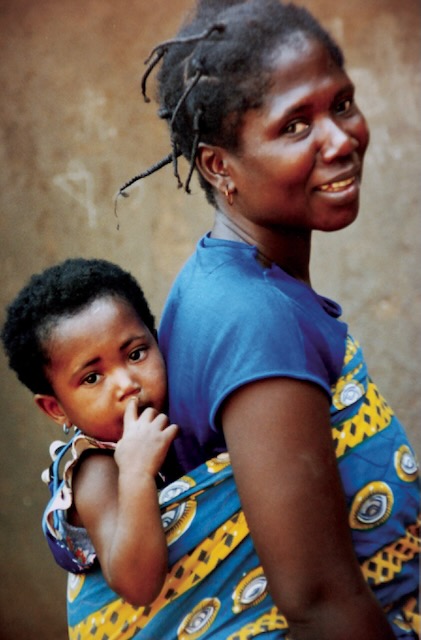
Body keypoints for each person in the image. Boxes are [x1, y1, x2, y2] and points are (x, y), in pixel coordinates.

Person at [117, 1, 420, 638]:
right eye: (294, 126)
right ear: (218, 166)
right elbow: (319, 602)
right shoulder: (256, 319)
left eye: (341, 103)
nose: (341, 139)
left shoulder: (223, 281)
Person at [1, 257, 179, 606]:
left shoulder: (167, 415)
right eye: (92, 378)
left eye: (137, 353)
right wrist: (136, 474)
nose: (127, 384)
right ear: (57, 408)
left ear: (158, 342)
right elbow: (137, 585)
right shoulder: (97, 471)